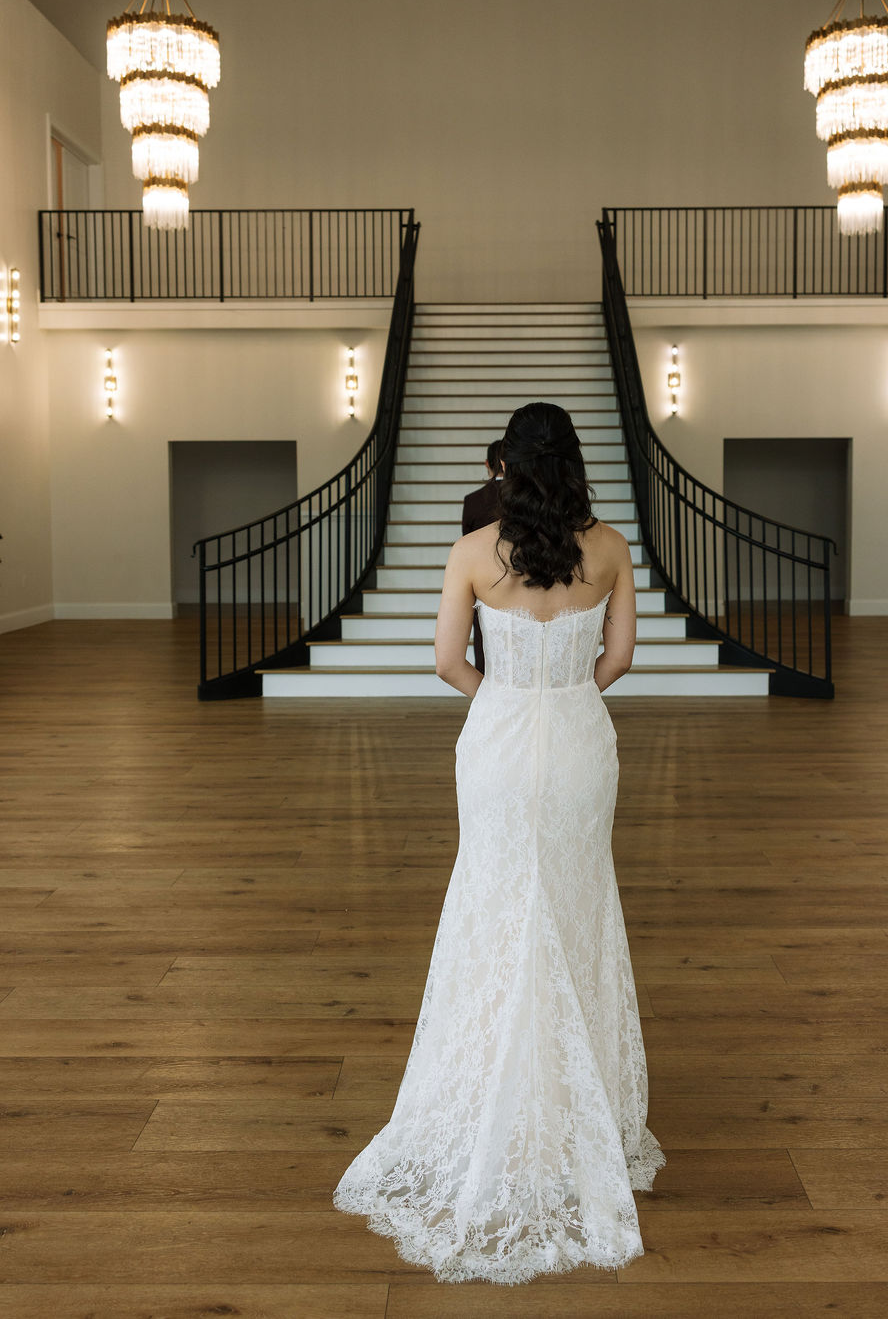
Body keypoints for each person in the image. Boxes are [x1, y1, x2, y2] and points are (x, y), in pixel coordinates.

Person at [332, 400, 664, 1284]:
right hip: (581, 739)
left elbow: (446, 661)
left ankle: (489, 1101)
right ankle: (571, 1113)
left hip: (499, 737)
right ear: (575, 464)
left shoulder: (472, 552)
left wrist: (507, 697)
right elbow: (622, 658)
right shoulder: (610, 548)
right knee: (574, 907)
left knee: (495, 909)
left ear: (505, 469)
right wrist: (565, 694)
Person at [460, 439, 504, 672]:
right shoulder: (530, 500)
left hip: (483, 585)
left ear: (487, 464)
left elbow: (467, 547)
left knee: (483, 643)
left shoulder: (473, 501)